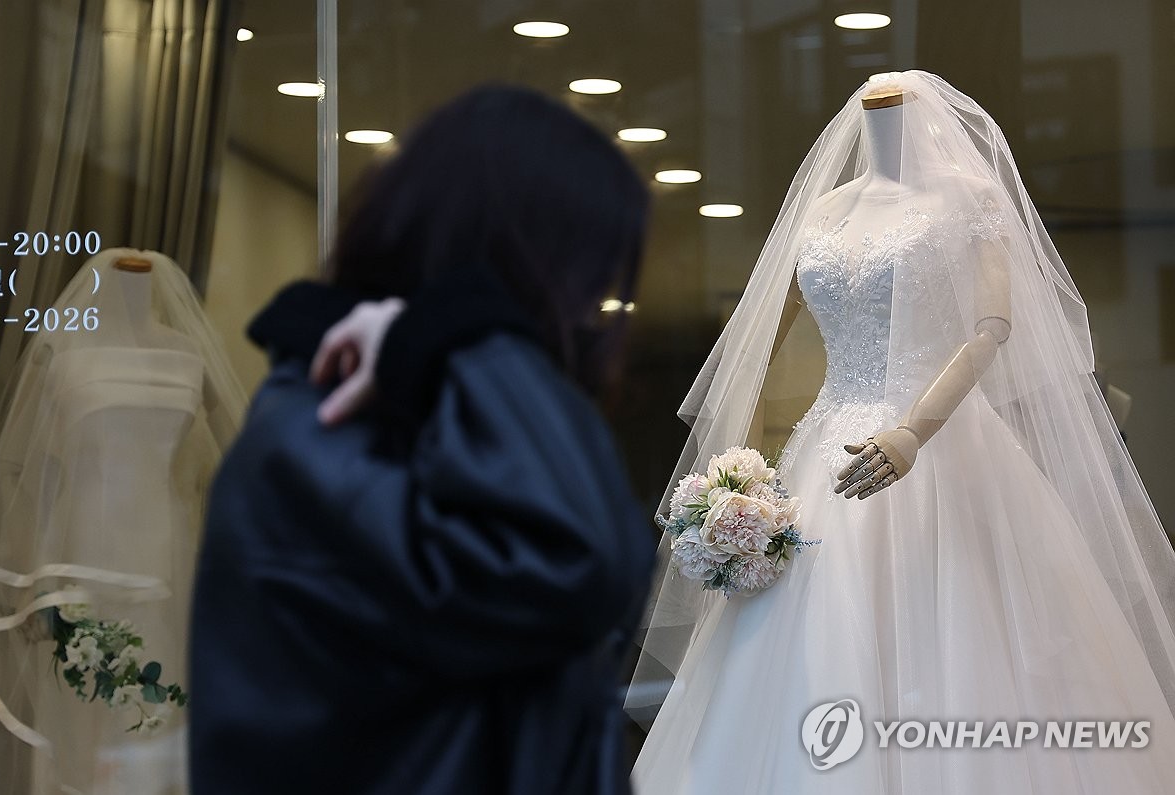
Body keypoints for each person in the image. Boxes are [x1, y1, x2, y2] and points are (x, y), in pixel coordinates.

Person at [628, 70, 1175, 793]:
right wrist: (744, 469)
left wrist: (915, 430)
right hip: (826, 451)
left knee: (962, 627)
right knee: (803, 640)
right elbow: (756, 350)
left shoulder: (969, 198)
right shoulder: (822, 212)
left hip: (944, 448)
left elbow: (992, 328)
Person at [189, 84, 655, 795]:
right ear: (517, 266)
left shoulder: (417, 424)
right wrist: (467, 331)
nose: (591, 312)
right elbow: (583, 564)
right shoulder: (314, 444)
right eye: (582, 277)